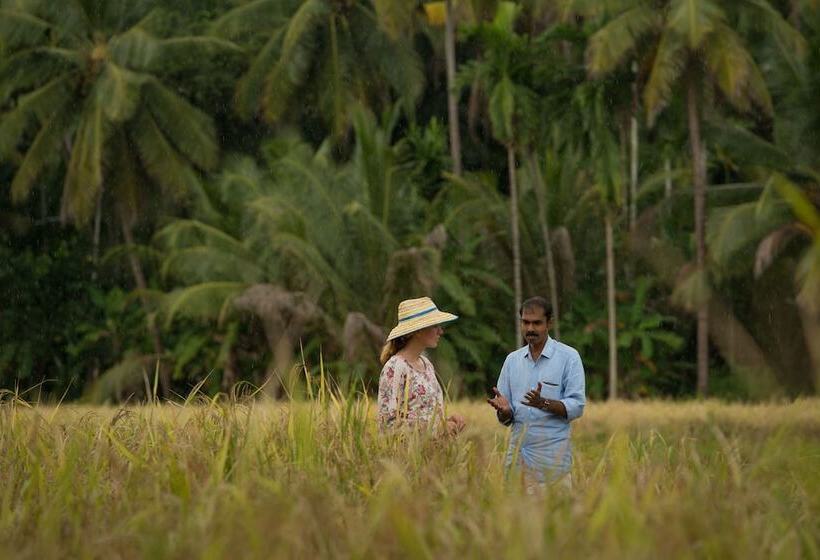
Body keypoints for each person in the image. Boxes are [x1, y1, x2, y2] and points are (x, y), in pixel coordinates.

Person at [487, 296, 586, 491]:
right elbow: (506, 417)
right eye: (525, 322)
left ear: (549, 323)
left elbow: (577, 407)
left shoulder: (569, 357)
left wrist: (544, 403)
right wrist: (504, 411)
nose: (530, 329)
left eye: (537, 323)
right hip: (516, 468)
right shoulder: (512, 361)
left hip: (552, 470)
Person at [377, 297, 466, 435]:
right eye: (435, 326)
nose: (440, 332)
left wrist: (448, 421)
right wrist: (439, 429)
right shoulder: (395, 367)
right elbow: (388, 425)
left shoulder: (427, 365)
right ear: (417, 331)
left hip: (434, 455)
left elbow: (425, 416)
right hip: (406, 456)